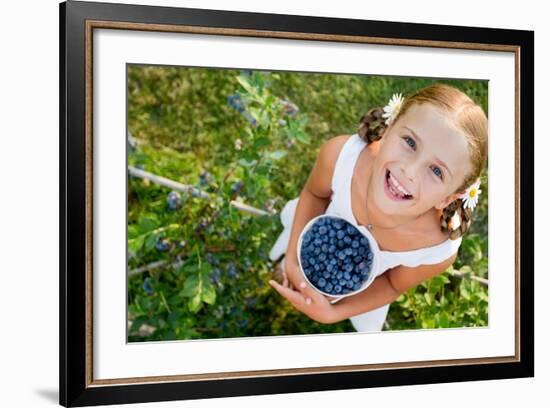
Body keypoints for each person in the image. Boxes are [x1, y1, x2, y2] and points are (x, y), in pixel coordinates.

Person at [267, 83, 488, 331]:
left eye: (436, 171)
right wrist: (294, 260)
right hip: (313, 238)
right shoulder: (341, 158)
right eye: (410, 142)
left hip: (362, 291)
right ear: (389, 129)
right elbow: (314, 195)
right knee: (289, 264)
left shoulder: (436, 249)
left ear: (448, 198)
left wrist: (333, 312)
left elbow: (393, 284)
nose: (409, 171)